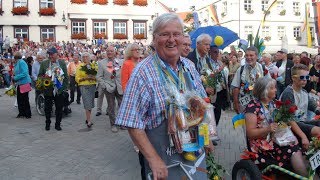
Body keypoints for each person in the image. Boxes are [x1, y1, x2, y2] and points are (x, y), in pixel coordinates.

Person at [115, 13, 213, 180]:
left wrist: (208, 135)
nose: (171, 39)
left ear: (183, 38)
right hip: (165, 162)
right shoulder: (142, 73)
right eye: (165, 34)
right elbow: (132, 122)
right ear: (154, 39)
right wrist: (153, 159)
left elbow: (202, 104)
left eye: (176, 34)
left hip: (195, 154)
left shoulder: (189, 66)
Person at [245, 77, 310, 177]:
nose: (276, 90)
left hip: (276, 138)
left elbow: (289, 120)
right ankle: (305, 175)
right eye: (272, 88)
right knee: (292, 148)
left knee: (297, 143)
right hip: (262, 144)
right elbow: (250, 133)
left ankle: (305, 172)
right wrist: (267, 129)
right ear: (264, 90)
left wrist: (303, 136)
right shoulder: (253, 106)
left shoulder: (274, 103)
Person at [280, 64, 320, 145]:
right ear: (293, 78)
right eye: (302, 77)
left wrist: (318, 110)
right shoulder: (289, 93)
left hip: (303, 122)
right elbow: (289, 120)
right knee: (318, 131)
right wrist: (303, 137)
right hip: (292, 125)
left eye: (307, 77)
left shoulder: (304, 92)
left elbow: (313, 106)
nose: (305, 80)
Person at [38, 47, 69, 131]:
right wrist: (45, 77)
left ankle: (57, 124)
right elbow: (39, 75)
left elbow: (66, 76)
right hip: (48, 89)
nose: (50, 56)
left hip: (59, 89)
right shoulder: (44, 63)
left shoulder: (62, 63)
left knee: (59, 108)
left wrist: (63, 88)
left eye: (52, 54)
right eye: (49, 54)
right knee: (47, 108)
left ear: (56, 54)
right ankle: (47, 123)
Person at [231, 46, 268, 114]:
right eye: (247, 55)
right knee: (246, 123)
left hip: (260, 102)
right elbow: (236, 87)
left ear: (256, 56)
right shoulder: (241, 69)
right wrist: (235, 103)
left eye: (251, 55)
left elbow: (269, 85)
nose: (248, 58)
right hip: (244, 103)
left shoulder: (263, 68)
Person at [96, 46, 123, 132]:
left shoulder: (121, 61)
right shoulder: (101, 63)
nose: (109, 53)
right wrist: (104, 86)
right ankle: (113, 124)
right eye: (108, 51)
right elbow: (99, 77)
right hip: (109, 87)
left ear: (115, 52)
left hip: (119, 87)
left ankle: (122, 123)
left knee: (122, 106)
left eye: (111, 51)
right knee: (111, 107)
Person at [75, 52, 96, 128]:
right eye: (83, 57)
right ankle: (89, 121)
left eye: (87, 57)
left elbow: (97, 75)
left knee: (90, 103)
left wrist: (93, 77)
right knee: (87, 103)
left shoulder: (93, 65)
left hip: (92, 85)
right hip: (84, 86)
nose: (85, 58)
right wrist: (85, 78)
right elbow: (77, 78)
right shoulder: (80, 66)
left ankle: (88, 119)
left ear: (89, 58)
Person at [12, 51, 32, 119]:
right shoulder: (17, 63)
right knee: (19, 98)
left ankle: (27, 114)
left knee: (25, 99)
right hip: (20, 83)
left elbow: (25, 73)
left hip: (25, 82)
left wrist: (15, 78)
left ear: (15, 57)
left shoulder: (21, 62)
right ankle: (21, 113)